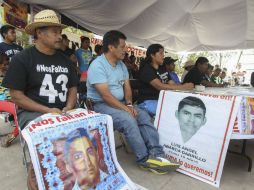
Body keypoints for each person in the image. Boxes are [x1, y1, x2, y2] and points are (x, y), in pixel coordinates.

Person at [87, 30, 179, 174]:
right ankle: (144, 159)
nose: (126, 50)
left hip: (121, 102)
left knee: (142, 115)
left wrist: (129, 104)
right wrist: (126, 109)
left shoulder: (121, 65)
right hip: (101, 105)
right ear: (111, 47)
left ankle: (157, 154)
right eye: (123, 46)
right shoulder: (97, 65)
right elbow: (105, 96)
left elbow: (127, 89)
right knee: (128, 119)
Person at [2, 10, 78, 145]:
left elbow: (72, 87)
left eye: (59, 32)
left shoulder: (66, 61)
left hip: (63, 111)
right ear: (39, 33)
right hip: (32, 113)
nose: (60, 36)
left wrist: (69, 106)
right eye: (55, 32)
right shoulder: (22, 59)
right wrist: (48, 111)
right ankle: (37, 165)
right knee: (49, 137)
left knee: (86, 132)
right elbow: (16, 96)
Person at [138, 44, 193, 116]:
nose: (163, 55)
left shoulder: (162, 69)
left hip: (162, 100)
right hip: (148, 101)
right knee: (172, 112)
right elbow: (160, 86)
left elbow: (172, 84)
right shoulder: (147, 69)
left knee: (183, 108)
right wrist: (183, 87)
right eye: (160, 53)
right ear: (152, 55)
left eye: (163, 53)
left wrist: (185, 87)